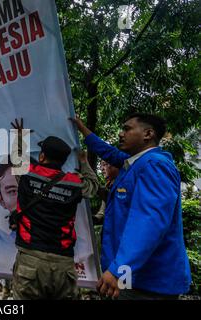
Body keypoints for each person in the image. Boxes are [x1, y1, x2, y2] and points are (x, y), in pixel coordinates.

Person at [70, 113, 192, 299]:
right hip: (132, 277)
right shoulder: (136, 163)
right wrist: (82, 128)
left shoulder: (154, 165)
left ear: (148, 134)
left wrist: (119, 269)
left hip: (146, 283)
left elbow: (148, 222)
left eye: (127, 129)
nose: (121, 133)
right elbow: (108, 152)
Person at [10, 119, 99, 300]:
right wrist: (83, 161)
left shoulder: (28, 174)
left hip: (30, 260)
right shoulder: (73, 182)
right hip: (62, 264)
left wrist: (20, 136)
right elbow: (93, 186)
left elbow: (16, 158)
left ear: (42, 156)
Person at [0, 161, 17, 239]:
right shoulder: (6, 248)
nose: (23, 197)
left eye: (30, 187)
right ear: (1, 201)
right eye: (12, 191)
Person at [93, 160, 120, 225]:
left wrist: (93, 185)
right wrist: (94, 219)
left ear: (116, 166)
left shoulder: (124, 182)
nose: (102, 169)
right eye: (101, 166)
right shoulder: (108, 186)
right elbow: (102, 213)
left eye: (104, 164)